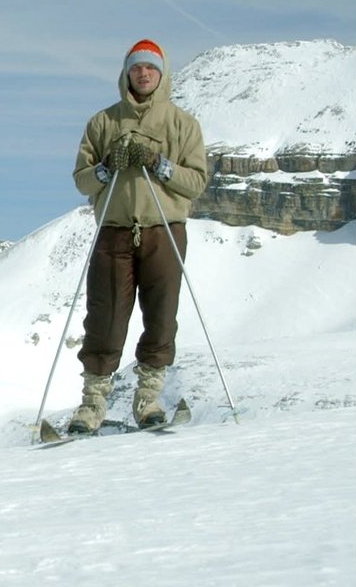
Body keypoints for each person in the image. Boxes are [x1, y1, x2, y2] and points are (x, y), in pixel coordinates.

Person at [70, 38, 208, 434]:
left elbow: (196, 182)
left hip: (164, 229)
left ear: (161, 74)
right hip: (114, 231)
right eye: (136, 67)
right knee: (105, 318)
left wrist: (158, 163)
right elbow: (81, 181)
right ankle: (92, 404)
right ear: (126, 73)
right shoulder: (103, 123)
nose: (143, 73)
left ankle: (148, 398)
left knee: (162, 316)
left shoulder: (183, 124)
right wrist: (107, 167)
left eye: (150, 68)